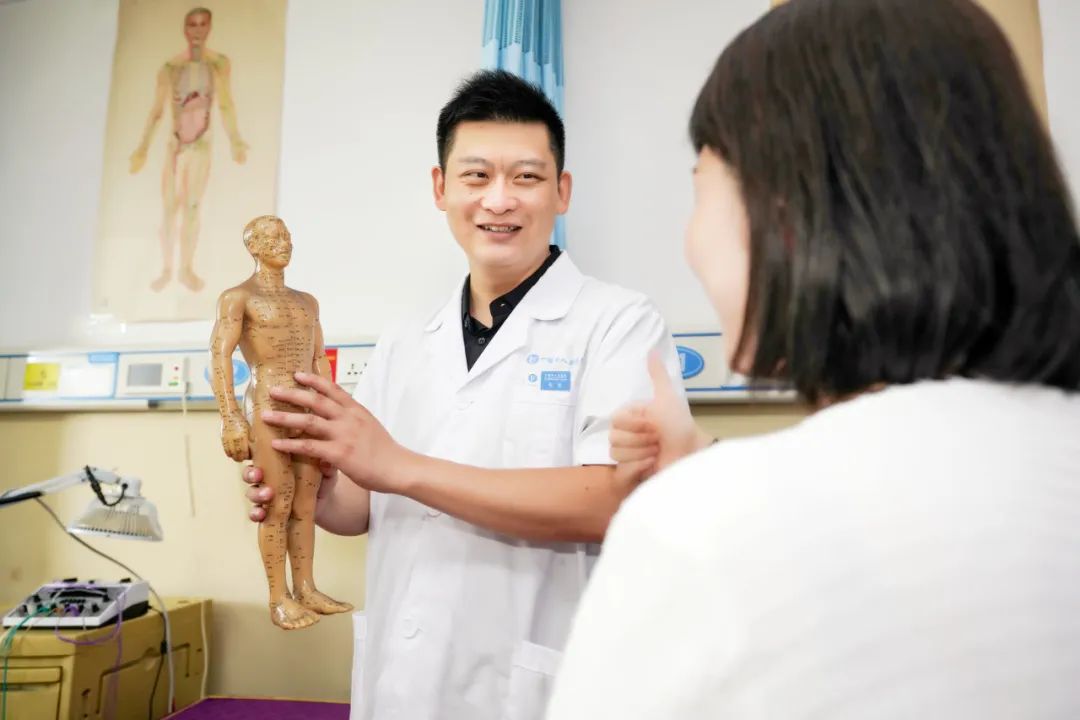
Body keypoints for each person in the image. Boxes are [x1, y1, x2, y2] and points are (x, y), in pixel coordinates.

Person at [546, 0, 1080, 718]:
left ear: (787, 214)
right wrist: (701, 461)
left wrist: (705, 490)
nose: (691, 237)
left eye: (700, 186)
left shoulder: (698, 530)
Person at [241, 70, 685, 720]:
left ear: (561, 192)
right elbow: (365, 505)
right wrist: (313, 490)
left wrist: (400, 466)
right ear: (440, 187)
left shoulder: (619, 324)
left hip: (530, 690)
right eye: (476, 176)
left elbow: (616, 499)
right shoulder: (406, 339)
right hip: (400, 685)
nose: (499, 200)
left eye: (526, 177)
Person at [209, 215, 352, 630]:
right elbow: (219, 355)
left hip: (307, 408)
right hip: (267, 405)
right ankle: (278, 598)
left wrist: (330, 413)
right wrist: (230, 418)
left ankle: (306, 587)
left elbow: (319, 359)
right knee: (277, 503)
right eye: (272, 237)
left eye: (286, 236)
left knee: (305, 504)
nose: (283, 243)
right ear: (252, 246)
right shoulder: (238, 298)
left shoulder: (308, 302)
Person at [130, 6, 249, 293]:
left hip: (201, 146)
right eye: (192, 25)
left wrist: (235, 140)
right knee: (170, 207)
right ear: (185, 29)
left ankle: (186, 269)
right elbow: (157, 110)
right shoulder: (171, 67)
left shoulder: (218, 64)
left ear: (209, 28)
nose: (197, 30)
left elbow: (225, 103)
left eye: (202, 24)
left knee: (193, 207)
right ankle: (166, 269)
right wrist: (142, 148)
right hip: (176, 146)